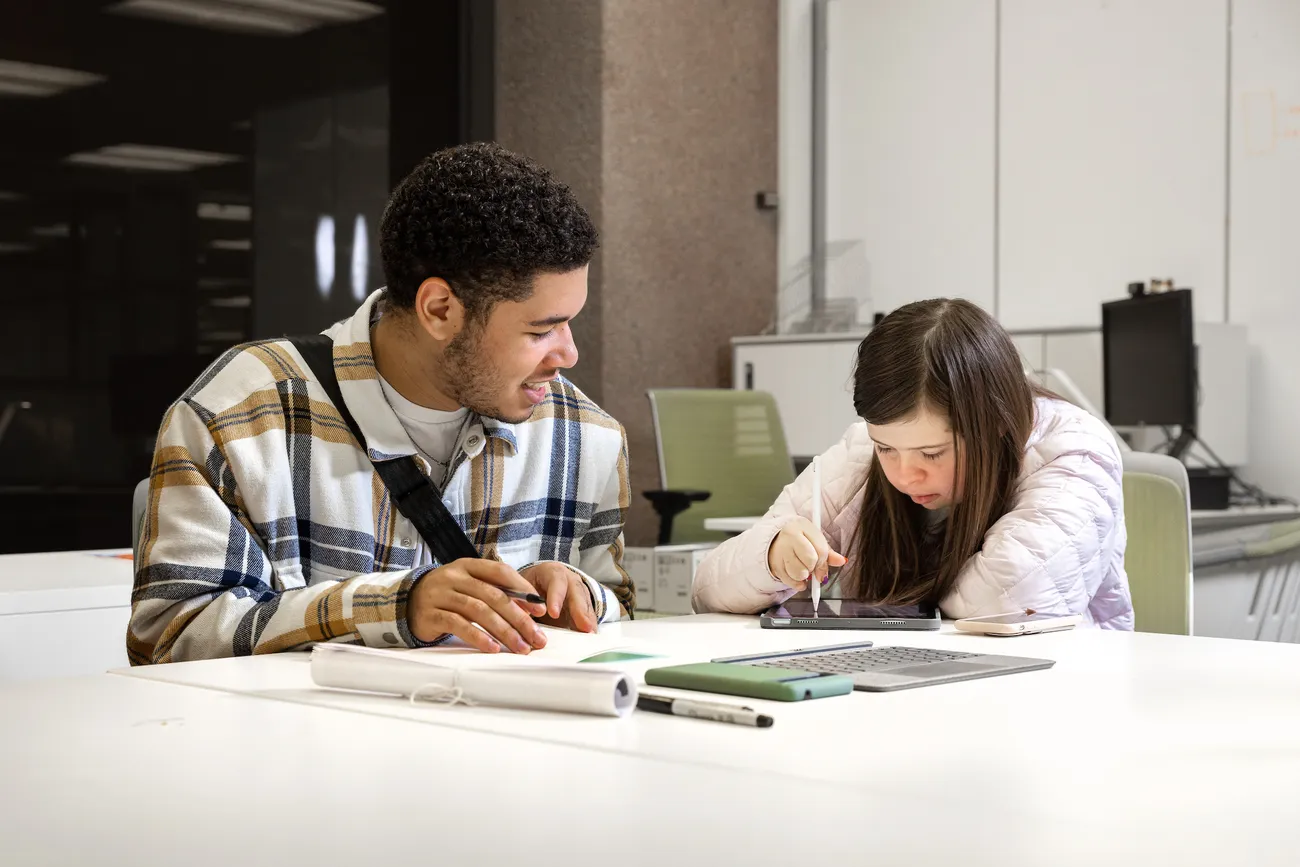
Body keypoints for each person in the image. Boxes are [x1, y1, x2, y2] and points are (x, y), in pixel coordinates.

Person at [129, 142, 634, 664]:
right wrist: (391, 608)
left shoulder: (587, 438)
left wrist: (571, 596)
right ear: (440, 310)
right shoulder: (240, 417)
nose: (569, 354)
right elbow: (168, 639)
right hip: (299, 741)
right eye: (541, 329)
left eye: (569, 322)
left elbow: (619, 611)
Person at [692, 298, 1134, 628]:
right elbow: (708, 588)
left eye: (932, 454)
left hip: (1048, 696)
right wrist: (772, 556)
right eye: (887, 448)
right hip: (899, 687)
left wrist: (894, 607)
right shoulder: (862, 450)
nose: (904, 474)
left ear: (994, 423)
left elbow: (1010, 599)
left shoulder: (1075, 452)